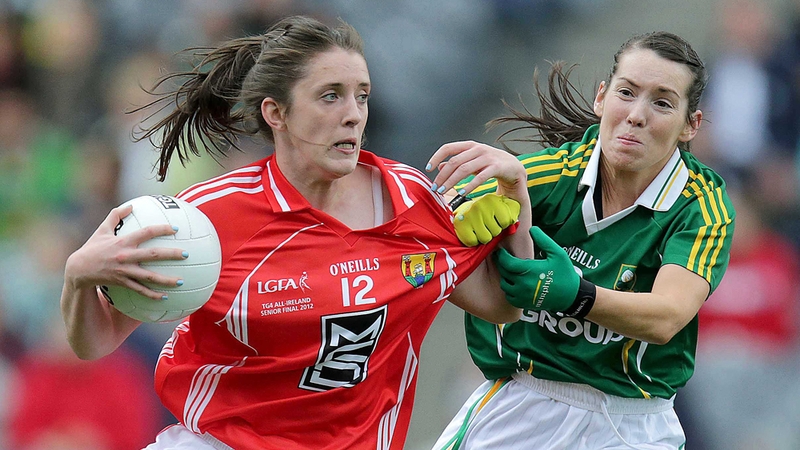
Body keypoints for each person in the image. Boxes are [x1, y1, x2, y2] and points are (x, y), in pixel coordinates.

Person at [59, 15, 533, 450]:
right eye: (330, 95)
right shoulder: (206, 219)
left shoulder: (414, 200)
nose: (353, 114)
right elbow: (95, 342)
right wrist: (80, 276)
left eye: (362, 95)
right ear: (276, 113)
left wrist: (518, 197)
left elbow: (505, 306)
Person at [427, 31, 735, 449]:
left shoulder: (702, 207)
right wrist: (453, 209)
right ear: (602, 98)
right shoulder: (547, 175)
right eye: (627, 92)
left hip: (631, 428)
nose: (637, 115)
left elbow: (666, 317)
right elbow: (429, 222)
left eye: (662, 102)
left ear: (690, 125)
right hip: (522, 406)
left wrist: (576, 295)